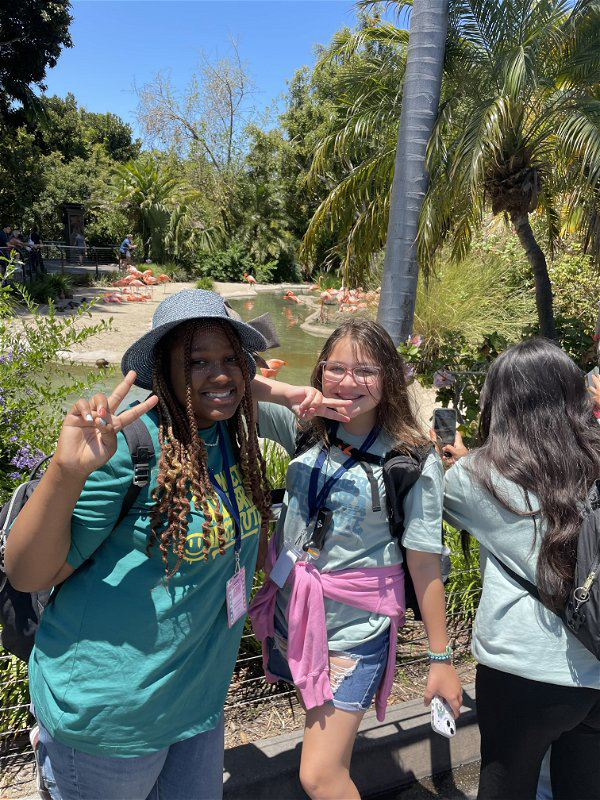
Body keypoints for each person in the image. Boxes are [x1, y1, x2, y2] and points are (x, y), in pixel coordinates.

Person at [5, 289, 349, 800]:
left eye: (230, 358)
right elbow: (29, 574)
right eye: (196, 361)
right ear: (163, 370)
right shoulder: (128, 446)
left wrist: (282, 393)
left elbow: (253, 391)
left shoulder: (229, 433)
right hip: (111, 715)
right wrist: (66, 471)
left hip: (196, 704)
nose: (219, 373)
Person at [250, 318, 462, 800]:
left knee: (319, 776)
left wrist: (441, 656)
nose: (348, 382)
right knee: (330, 759)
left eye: (365, 370)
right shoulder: (305, 428)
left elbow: (424, 560)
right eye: (336, 368)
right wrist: (287, 392)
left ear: (388, 378)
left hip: (355, 630)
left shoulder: (410, 458)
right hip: (295, 616)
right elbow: (231, 389)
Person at [443, 338, 600, 800]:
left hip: (522, 674)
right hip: (595, 669)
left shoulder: (475, 476)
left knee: (505, 787)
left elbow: (428, 518)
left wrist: (456, 458)